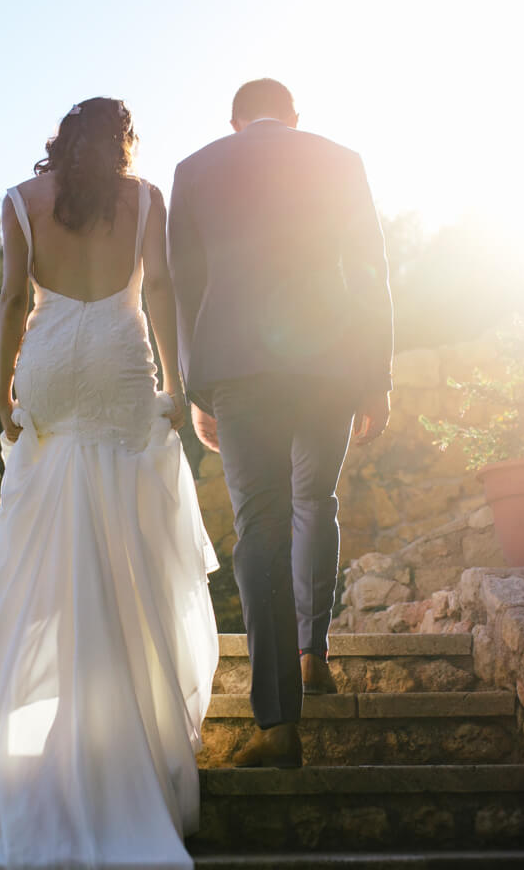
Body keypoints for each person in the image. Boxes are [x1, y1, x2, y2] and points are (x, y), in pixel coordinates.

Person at [0, 97, 220, 870]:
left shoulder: (21, 202)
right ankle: (128, 737)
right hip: (115, 356)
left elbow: (8, 304)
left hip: (51, 365)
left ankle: (49, 738)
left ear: (62, 145)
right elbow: (166, 289)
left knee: (47, 533)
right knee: (129, 535)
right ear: (123, 145)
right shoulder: (144, 199)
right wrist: (176, 384)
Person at [167, 78, 393, 769]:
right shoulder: (339, 158)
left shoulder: (196, 168)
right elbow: (370, 271)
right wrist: (376, 377)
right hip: (328, 366)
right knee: (314, 501)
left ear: (235, 121)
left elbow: (185, 283)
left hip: (236, 369)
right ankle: (314, 654)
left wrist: (196, 385)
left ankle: (277, 726)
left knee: (260, 525)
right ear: (294, 115)